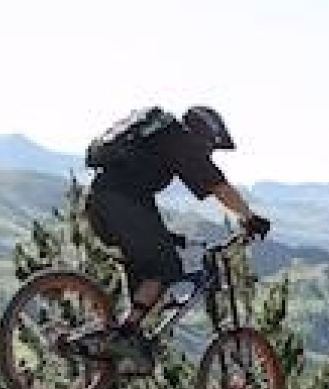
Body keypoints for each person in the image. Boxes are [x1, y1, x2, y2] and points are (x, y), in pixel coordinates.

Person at [83, 104, 272, 370]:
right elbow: (217, 185)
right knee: (167, 268)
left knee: (148, 279)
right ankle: (123, 338)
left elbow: (138, 193)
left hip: (105, 201)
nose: (208, 154)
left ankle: (116, 345)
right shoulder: (179, 139)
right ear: (204, 134)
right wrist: (249, 218)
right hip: (120, 202)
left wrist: (166, 235)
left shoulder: (160, 139)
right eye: (211, 147)